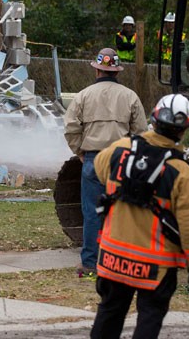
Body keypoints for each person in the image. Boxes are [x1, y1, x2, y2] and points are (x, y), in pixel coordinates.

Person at [90, 94, 189, 339]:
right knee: (150, 317)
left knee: (109, 312)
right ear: (184, 129)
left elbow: (100, 168)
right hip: (155, 267)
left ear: (153, 120)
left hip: (113, 258)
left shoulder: (121, 149)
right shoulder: (181, 172)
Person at [63, 48, 147, 275]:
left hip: (93, 159)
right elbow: (141, 132)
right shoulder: (130, 96)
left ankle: (90, 262)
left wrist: (80, 152)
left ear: (97, 70)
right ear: (117, 71)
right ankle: (120, 262)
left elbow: (70, 128)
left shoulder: (83, 96)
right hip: (121, 160)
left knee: (92, 213)